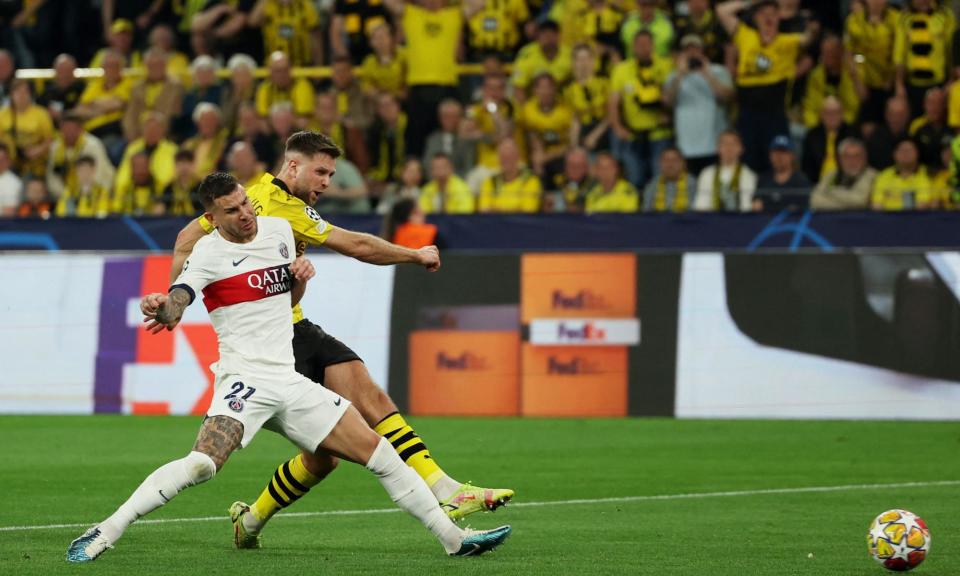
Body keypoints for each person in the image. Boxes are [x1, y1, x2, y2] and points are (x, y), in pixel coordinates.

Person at [66, 172, 512, 563]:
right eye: (232, 210)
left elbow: (286, 302)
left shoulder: (278, 229)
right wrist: (163, 307)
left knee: (381, 453)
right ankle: (107, 529)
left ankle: (455, 539)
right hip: (243, 380)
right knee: (203, 465)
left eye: (245, 203)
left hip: (289, 381)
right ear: (213, 217)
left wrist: (297, 281)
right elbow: (179, 299)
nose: (245, 213)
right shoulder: (207, 255)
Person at [169, 132, 513, 548]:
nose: (327, 181)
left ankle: (251, 520)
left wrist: (179, 295)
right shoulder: (280, 206)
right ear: (292, 166)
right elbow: (357, 245)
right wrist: (414, 255)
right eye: (321, 171)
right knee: (350, 425)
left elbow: (185, 239)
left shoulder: (252, 194)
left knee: (331, 448)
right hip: (277, 340)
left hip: (296, 326)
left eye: (331, 173)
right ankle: (446, 491)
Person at [717, 0, 810, 173]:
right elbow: (722, 10)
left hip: (774, 114)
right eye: (763, 13)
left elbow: (810, 41)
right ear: (755, 17)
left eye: (773, 13)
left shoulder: (788, 41)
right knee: (748, 164)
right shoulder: (745, 35)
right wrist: (751, 2)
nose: (768, 18)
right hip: (747, 114)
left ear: (779, 17)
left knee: (779, 162)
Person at [662, 33, 734, 176]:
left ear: (702, 51)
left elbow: (728, 97)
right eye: (687, 50)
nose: (692, 53)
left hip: (714, 144)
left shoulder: (718, 71)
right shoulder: (674, 76)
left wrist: (707, 74)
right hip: (685, 145)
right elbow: (667, 102)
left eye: (695, 49)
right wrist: (680, 75)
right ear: (682, 53)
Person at [694, 130, 757, 212]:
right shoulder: (706, 174)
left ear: (741, 149)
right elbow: (701, 206)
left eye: (733, 144)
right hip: (710, 221)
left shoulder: (749, 175)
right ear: (717, 148)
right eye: (724, 144)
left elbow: (747, 207)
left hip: (740, 221)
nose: (728, 148)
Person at [801, 96, 858, 183]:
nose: (832, 116)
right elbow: (807, 166)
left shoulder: (852, 134)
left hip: (846, 184)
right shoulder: (812, 135)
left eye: (836, 112)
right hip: (817, 185)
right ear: (821, 115)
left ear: (842, 114)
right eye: (828, 113)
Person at [810, 137, 876, 210]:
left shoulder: (872, 175)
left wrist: (830, 191)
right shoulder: (831, 174)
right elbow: (815, 201)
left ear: (865, 158)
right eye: (847, 156)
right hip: (830, 220)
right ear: (840, 159)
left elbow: (860, 201)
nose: (852, 160)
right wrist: (846, 203)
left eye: (857, 155)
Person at [871, 138, 936, 210]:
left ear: (917, 153)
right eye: (902, 150)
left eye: (909, 150)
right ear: (894, 154)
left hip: (918, 218)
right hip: (887, 219)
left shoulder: (929, 174)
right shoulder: (884, 175)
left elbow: (923, 205)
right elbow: (877, 204)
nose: (905, 153)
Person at [754, 134, 812, 211]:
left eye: (783, 152)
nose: (779, 157)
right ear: (770, 155)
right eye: (775, 152)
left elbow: (803, 209)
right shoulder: (763, 179)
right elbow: (756, 205)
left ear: (792, 156)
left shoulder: (801, 181)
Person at [642, 147, 696, 212]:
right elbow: (646, 212)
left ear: (683, 163)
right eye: (666, 160)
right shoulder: (652, 185)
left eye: (674, 160)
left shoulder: (693, 184)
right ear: (659, 163)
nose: (670, 164)